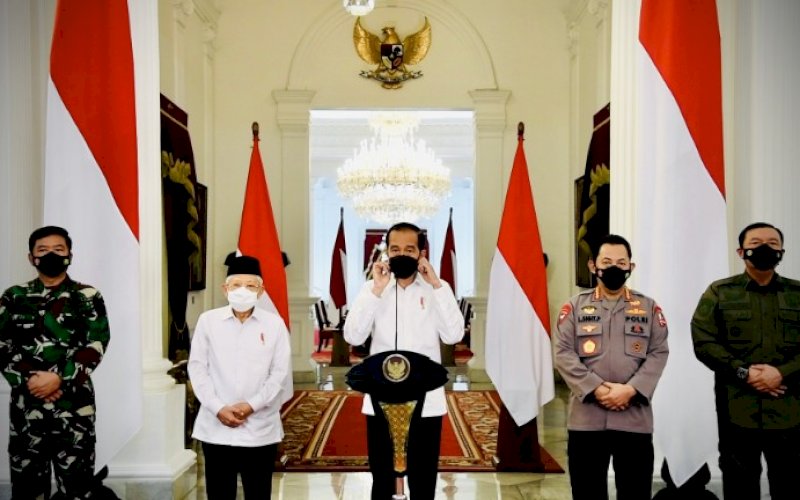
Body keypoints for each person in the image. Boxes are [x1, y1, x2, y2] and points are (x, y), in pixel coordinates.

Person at [343, 222, 464, 500]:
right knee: (382, 480)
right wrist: (376, 290)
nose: (402, 254)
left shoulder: (437, 288)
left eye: (410, 249)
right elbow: (353, 334)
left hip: (426, 399)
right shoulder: (373, 288)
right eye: (395, 248)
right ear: (386, 252)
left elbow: (454, 334)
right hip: (381, 399)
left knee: (423, 481)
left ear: (421, 253)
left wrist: (436, 284)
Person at [554, 234, 669, 500]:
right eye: (607, 261)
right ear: (593, 266)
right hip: (586, 420)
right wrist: (596, 389)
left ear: (631, 267)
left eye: (621, 262)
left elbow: (658, 352)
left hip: (634, 419)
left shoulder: (649, 308)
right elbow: (563, 353)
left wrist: (630, 390)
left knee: (635, 492)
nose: (615, 267)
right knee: (587, 492)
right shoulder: (574, 307)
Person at [691, 222, 800, 500]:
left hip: (790, 409)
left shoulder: (798, 293)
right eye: (757, 243)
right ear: (741, 251)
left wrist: (782, 373)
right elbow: (703, 340)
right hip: (737, 408)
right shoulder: (719, 292)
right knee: (740, 486)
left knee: (790, 483)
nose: (765, 248)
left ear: (782, 252)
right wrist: (745, 373)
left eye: (773, 244)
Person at [0, 226, 110, 499]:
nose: (51, 254)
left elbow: (95, 344)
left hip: (74, 410)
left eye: (58, 250)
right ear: (31, 258)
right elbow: (2, 346)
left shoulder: (87, 296)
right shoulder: (14, 297)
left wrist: (60, 378)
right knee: (26, 491)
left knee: (77, 491)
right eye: (43, 250)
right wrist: (32, 381)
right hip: (28, 409)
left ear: (69, 256)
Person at [188, 255, 291, 500]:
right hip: (216, 425)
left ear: (261, 290)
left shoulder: (274, 325)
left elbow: (279, 374)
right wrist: (218, 407)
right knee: (219, 493)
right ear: (225, 289)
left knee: (258, 493)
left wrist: (251, 405)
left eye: (250, 286)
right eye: (236, 285)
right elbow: (198, 368)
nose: (242, 291)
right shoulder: (208, 321)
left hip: (259, 427)